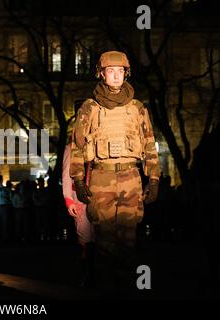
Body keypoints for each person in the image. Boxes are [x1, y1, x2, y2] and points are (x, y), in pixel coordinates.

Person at [69, 51, 160, 291]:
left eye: (121, 71)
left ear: (126, 73)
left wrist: (154, 178)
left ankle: (127, 287)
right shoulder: (90, 108)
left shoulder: (138, 108)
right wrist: (78, 181)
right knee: (105, 240)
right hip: (102, 177)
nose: (116, 76)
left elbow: (150, 144)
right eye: (111, 71)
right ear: (101, 73)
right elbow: (77, 146)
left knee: (129, 239)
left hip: (131, 177)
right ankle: (106, 288)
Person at [62, 143, 96, 287]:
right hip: (79, 198)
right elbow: (66, 174)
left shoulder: (98, 142)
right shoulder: (72, 147)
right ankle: (88, 276)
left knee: (104, 236)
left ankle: (100, 274)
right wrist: (68, 199)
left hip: (101, 196)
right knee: (85, 239)